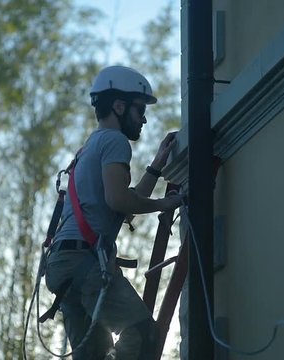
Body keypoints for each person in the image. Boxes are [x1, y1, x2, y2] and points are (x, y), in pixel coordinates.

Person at [44, 65, 183, 360]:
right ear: (119, 106)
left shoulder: (88, 148)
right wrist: (164, 204)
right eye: (139, 110)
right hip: (84, 263)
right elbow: (120, 200)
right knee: (143, 333)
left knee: (93, 354)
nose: (143, 118)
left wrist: (156, 168)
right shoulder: (114, 141)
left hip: (63, 265)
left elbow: (123, 203)